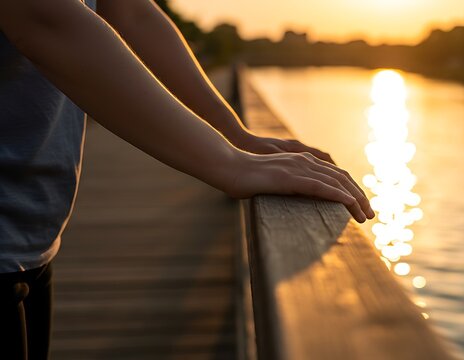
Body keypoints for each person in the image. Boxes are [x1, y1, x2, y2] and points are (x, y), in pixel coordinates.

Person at [0, 0, 374, 358]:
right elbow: (39, 14)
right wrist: (228, 162)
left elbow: (129, 11)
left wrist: (234, 136)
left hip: (33, 238)